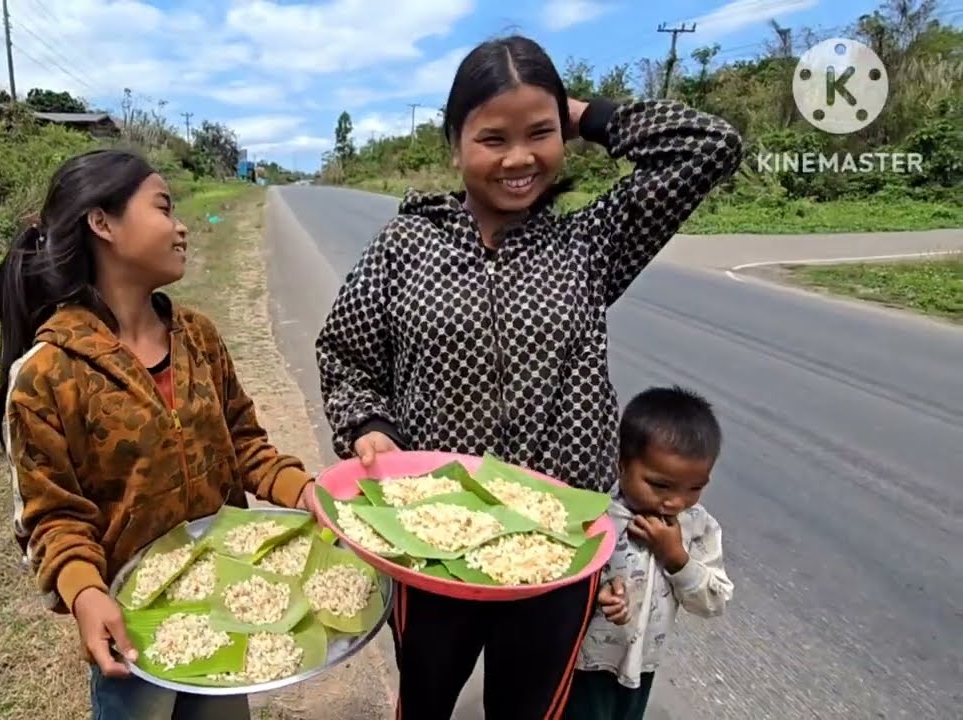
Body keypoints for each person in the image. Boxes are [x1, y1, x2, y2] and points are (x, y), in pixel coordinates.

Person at [314, 34, 742, 720]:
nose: (518, 158)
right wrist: (369, 426)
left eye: (538, 134)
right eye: (493, 137)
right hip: (431, 541)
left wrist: (579, 113)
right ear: (455, 144)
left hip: (557, 551)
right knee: (423, 700)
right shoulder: (404, 246)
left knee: (530, 708)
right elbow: (346, 355)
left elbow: (709, 146)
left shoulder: (589, 243)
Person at [0, 148, 315, 720]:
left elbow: (244, 444)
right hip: (133, 628)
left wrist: (305, 493)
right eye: (164, 208)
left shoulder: (198, 338)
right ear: (102, 223)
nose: (181, 226)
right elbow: (53, 517)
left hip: (225, 602)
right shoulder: (48, 374)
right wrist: (87, 593)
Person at [564, 385, 734, 720]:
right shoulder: (596, 514)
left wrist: (677, 558)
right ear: (621, 465)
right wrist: (597, 593)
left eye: (695, 488)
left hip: (642, 665)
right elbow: (557, 576)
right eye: (660, 485)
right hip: (584, 662)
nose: (676, 501)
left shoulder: (697, 528)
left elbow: (714, 601)